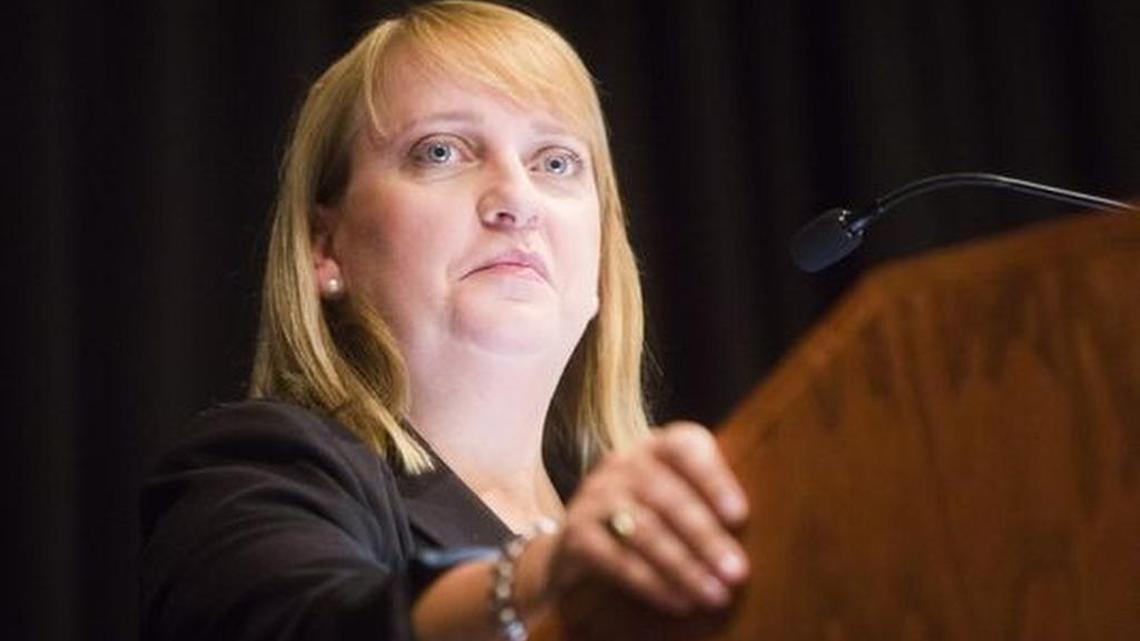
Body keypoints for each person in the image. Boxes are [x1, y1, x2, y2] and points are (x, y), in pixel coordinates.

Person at [140, 2, 750, 639]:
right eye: (441, 151)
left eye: (556, 162)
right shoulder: (259, 471)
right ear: (325, 247)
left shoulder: (676, 542)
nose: (516, 199)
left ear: (601, 258)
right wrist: (537, 578)